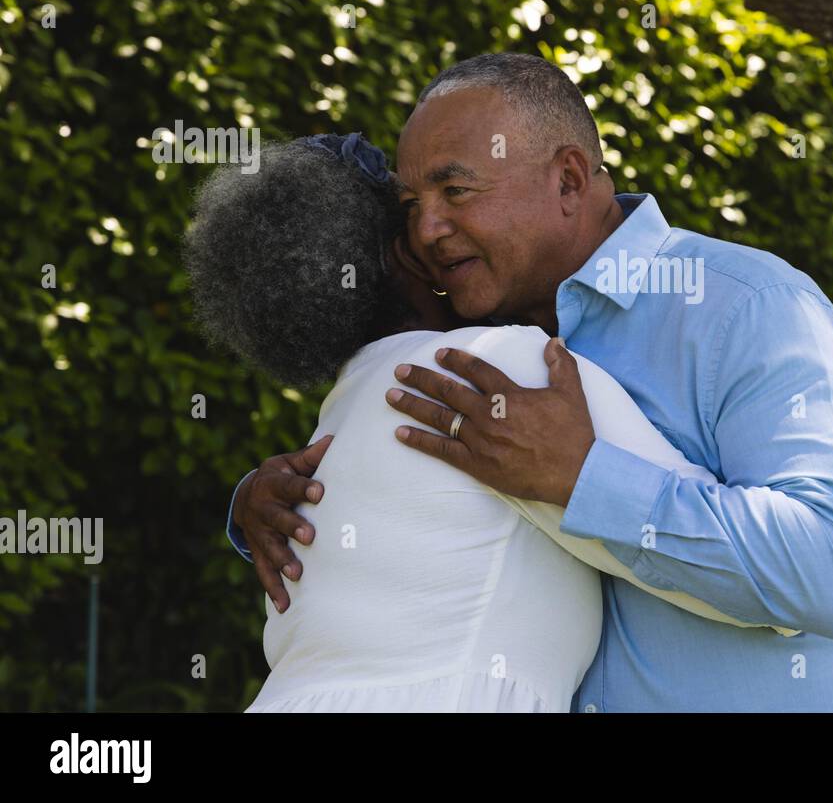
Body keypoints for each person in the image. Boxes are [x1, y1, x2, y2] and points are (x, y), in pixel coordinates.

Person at [228, 53, 833, 711]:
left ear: (569, 179)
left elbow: (831, 567)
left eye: (456, 190)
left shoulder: (749, 306)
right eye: (413, 208)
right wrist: (255, 503)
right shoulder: (471, 355)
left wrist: (582, 479)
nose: (427, 230)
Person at [187, 134, 796, 712]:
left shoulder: (328, 435)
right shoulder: (496, 372)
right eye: (412, 212)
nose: (437, 231)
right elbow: (764, 572)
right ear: (404, 253)